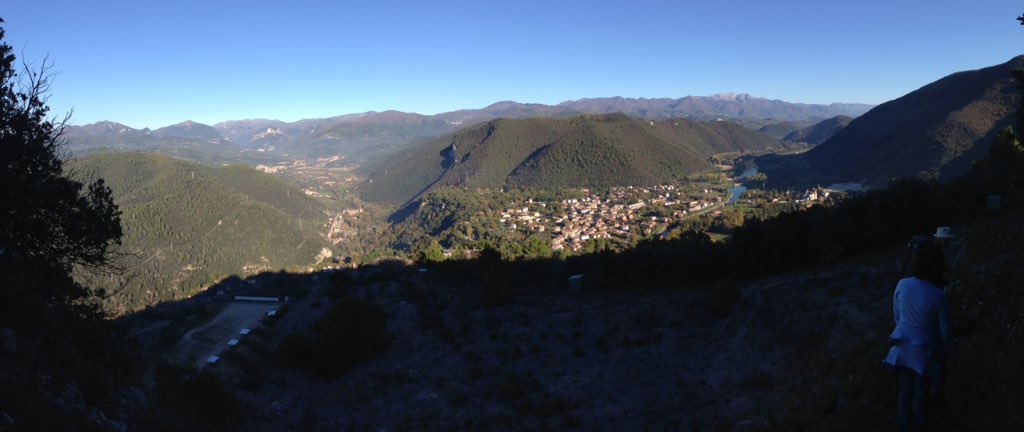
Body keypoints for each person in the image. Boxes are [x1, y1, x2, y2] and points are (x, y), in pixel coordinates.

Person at [883, 245, 951, 432]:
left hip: (901, 348)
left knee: (904, 391)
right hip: (924, 354)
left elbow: (897, 316)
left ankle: (902, 425)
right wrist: (948, 353)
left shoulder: (902, 284)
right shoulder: (939, 295)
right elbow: (945, 332)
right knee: (920, 396)